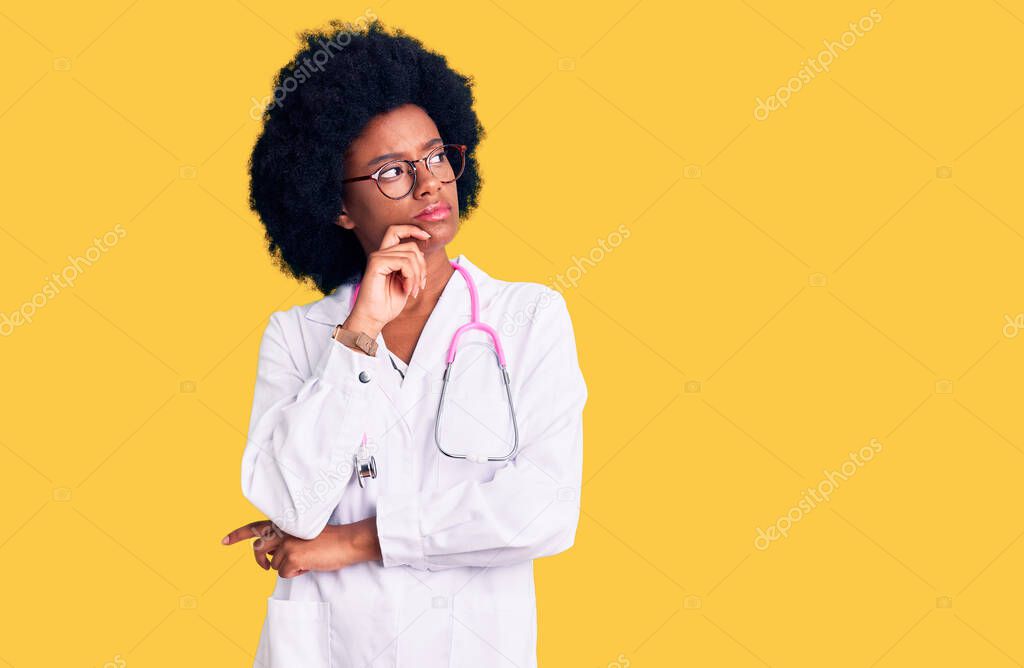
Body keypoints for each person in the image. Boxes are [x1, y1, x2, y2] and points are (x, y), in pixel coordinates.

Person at [222, 18, 587, 668]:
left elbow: (545, 508)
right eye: (392, 171)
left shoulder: (527, 317)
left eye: (436, 155)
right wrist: (358, 333)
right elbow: (293, 505)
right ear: (337, 207)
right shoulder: (299, 337)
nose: (428, 184)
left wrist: (355, 541)